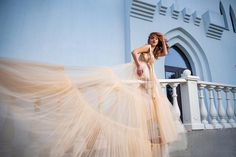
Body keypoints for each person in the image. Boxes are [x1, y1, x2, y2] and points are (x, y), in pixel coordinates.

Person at [0, 32, 186, 157]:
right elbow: (133, 51)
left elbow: (166, 53)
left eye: (155, 39)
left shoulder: (155, 50)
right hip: (142, 72)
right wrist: (138, 65)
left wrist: (161, 40)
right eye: (152, 38)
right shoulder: (146, 47)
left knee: (150, 109)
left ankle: (151, 137)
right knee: (139, 103)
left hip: (149, 79)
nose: (153, 41)